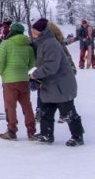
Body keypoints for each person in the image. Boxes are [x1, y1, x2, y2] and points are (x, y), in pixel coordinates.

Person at [30, 18, 85, 146]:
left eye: (34, 30)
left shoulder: (50, 44)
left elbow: (51, 67)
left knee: (68, 113)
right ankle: (46, 134)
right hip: (50, 84)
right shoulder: (42, 42)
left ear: (41, 31)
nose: (32, 32)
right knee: (45, 112)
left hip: (61, 85)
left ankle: (77, 136)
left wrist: (35, 74)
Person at [0, 22, 36, 140]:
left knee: (10, 106)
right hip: (24, 79)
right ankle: (31, 130)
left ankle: (12, 130)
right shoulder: (28, 45)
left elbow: (0, 62)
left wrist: (2, 72)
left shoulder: (6, 44)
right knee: (27, 105)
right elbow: (32, 62)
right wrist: (23, 70)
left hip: (9, 80)